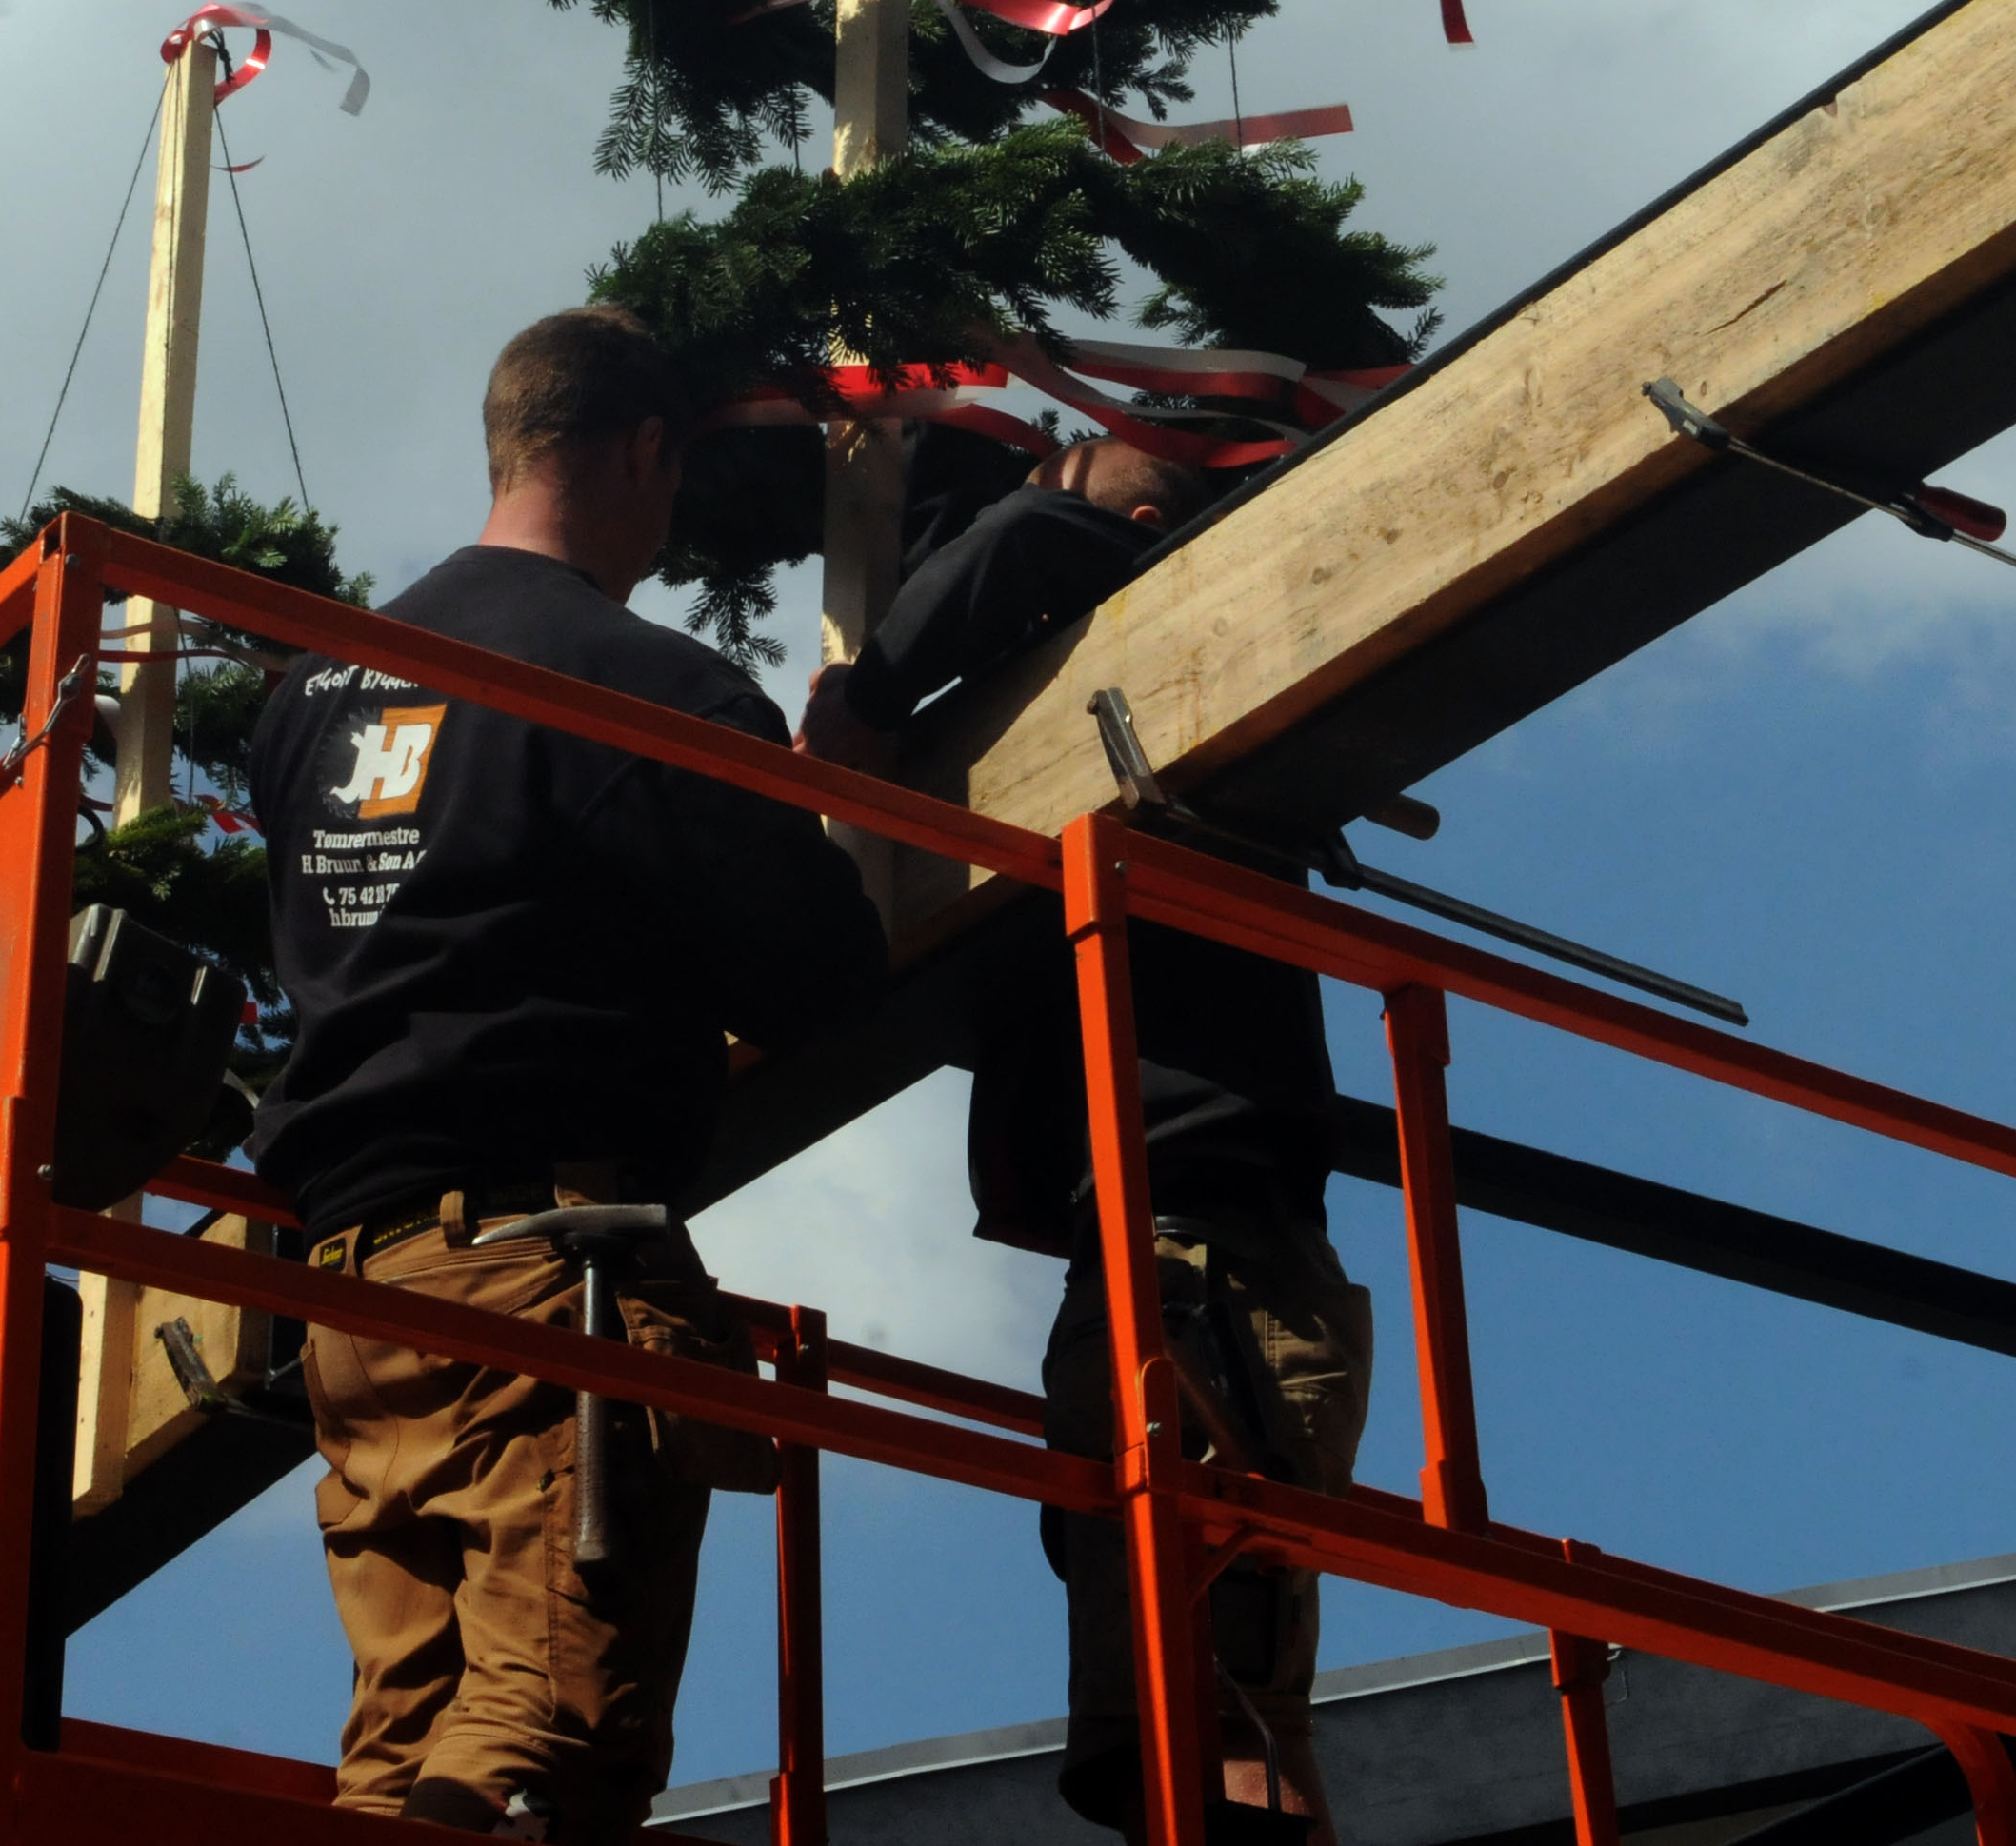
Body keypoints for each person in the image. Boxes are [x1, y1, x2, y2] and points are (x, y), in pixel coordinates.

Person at [249, 307, 889, 1838]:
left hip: (352, 1303)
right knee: (546, 1742)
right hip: (535, 1278)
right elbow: (820, 978)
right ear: (646, 451)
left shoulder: (314, 698)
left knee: (401, 1761)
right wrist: (834, 809)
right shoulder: (633, 683)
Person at [804, 436, 1373, 1846]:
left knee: (1217, 1710)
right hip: (1158, 1254)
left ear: (1136, 519)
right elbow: (990, 552)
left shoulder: (1169, 634)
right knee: (1165, 1724)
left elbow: (1026, 546)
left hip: (1211, 1256)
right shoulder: (1069, 728)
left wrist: (863, 703)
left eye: (1052, 480)